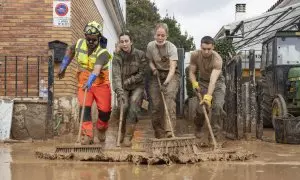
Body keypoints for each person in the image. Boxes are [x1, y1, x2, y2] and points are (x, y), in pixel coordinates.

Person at [57, 21, 112, 145]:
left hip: (100, 83)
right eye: (88, 39)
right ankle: (87, 135)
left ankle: (101, 128)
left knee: (105, 111)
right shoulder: (80, 43)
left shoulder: (103, 53)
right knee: (84, 109)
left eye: (93, 40)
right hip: (83, 81)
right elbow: (70, 50)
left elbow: (97, 70)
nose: (90, 42)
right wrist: (63, 66)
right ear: (85, 37)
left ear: (99, 38)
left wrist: (90, 81)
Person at [112, 32, 147, 147]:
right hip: (123, 86)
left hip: (137, 86)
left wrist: (130, 80)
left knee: (133, 105)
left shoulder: (140, 54)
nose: (124, 44)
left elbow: (142, 73)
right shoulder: (117, 56)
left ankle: (128, 136)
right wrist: (119, 91)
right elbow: (116, 75)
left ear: (131, 42)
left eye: (126, 41)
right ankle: (121, 132)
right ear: (119, 43)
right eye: (122, 42)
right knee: (124, 105)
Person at [189, 36, 226, 141]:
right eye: (204, 48)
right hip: (202, 82)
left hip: (218, 83)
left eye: (209, 49)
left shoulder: (217, 59)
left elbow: (213, 81)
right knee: (201, 109)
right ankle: (198, 127)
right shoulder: (195, 55)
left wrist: (208, 97)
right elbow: (191, 72)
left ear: (213, 47)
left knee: (218, 107)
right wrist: (194, 83)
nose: (206, 51)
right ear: (200, 46)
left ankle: (214, 136)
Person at [146, 23, 179, 139]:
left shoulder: (172, 48)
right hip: (156, 74)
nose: (160, 38)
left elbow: (172, 68)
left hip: (171, 75)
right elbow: (149, 61)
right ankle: (158, 131)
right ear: (154, 35)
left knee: (168, 98)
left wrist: (166, 83)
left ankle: (169, 131)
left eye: (163, 35)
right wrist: (153, 69)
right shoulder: (150, 46)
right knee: (155, 104)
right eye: (158, 35)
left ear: (167, 36)